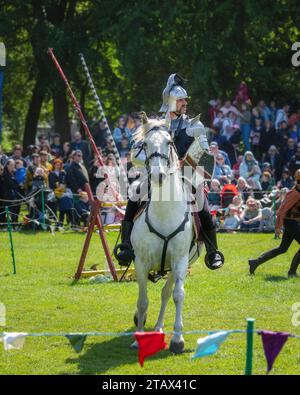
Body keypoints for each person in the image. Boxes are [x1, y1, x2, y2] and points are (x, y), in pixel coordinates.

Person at [115, 73, 224, 270]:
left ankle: (212, 251)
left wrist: (190, 168)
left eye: (185, 99)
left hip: (187, 178)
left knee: (204, 208)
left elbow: (207, 158)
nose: (184, 103)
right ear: (170, 101)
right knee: (134, 196)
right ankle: (126, 246)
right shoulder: (154, 126)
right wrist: (155, 163)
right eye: (180, 99)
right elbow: (136, 156)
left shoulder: (195, 126)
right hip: (157, 176)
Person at [249, 169, 300, 276]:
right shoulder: (294, 193)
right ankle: (292, 272)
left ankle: (255, 262)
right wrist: (278, 227)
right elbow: (281, 210)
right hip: (290, 222)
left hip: (293, 222)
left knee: (282, 249)